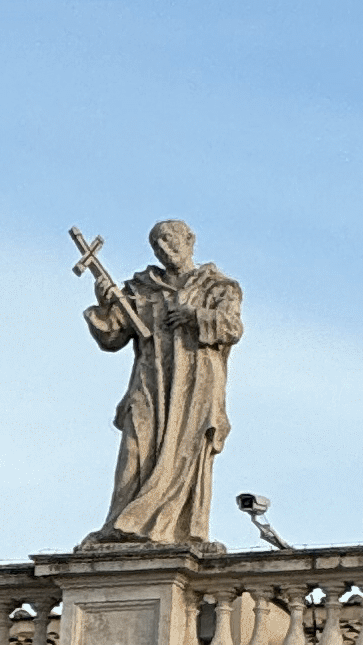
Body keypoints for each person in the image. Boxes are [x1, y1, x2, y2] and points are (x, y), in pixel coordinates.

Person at [81, 217, 243, 548]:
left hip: (195, 385)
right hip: (150, 382)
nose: (165, 249)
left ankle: (175, 529)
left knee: (184, 452)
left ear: (190, 239)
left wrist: (194, 316)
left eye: (170, 240)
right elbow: (113, 335)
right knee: (135, 446)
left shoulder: (217, 287)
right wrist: (105, 303)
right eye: (157, 244)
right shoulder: (140, 289)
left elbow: (232, 327)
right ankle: (121, 523)